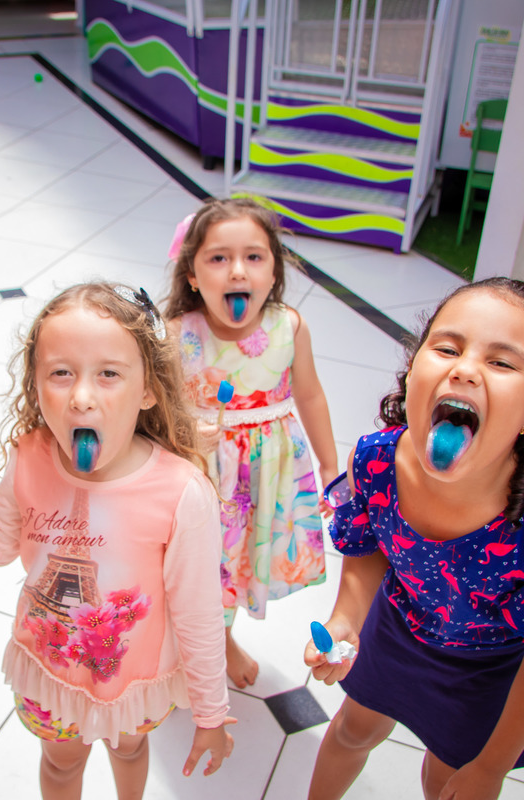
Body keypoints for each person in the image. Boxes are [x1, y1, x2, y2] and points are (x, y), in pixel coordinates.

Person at [0, 283, 234, 800]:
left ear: (148, 390)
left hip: (134, 682)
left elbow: (199, 613)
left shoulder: (181, 492)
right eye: (61, 373)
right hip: (48, 673)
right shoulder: (28, 456)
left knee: (130, 749)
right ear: (36, 386)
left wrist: (210, 711)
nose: (81, 396)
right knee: (59, 765)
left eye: (109, 374)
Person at [305, 277, 524, 800]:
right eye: (446, 348)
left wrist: (491, 767)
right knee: (352, 731)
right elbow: (370, 549)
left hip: (488, 673)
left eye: (502, 362)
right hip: (397, 629)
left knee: (449, 778)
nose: (464, 368)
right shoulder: (376, 461)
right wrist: (345, 620)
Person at [163, 196, 339, 688]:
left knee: (238, 563)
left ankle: (219, 638)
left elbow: (310, 393)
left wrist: (329, 466)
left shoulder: (288, 327)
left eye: (254, 257)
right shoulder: (180, 334)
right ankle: (205, 642)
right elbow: (158, 406)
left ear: (274, 273)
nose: (237, 271)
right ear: (192, 275)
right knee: (200, 563)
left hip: (268, 472)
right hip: (202, 472)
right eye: (218, 258)